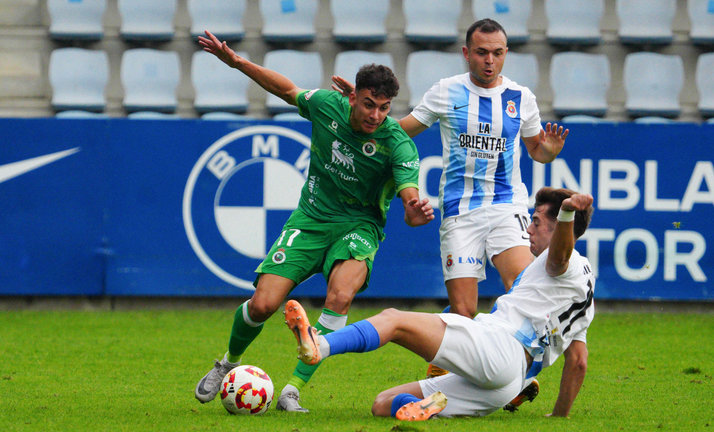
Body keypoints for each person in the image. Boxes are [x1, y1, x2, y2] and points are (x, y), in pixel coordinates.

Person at [193, 30, 435, 413]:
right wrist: (238, 63)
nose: (376, 115)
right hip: (311, 218)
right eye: (369, 104)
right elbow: (287, 89)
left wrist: (413, 209)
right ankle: (228, 363)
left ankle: (292, 389)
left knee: (340, 296)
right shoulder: (327, 106)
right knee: (262, 305)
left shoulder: (397, 143)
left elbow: (408, 190)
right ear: (352, 96)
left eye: (385, 108)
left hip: (359, 226)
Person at [333, 18, 570, 328]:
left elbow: (537, 151)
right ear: (466, 53)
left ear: (506, 53)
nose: (490, 61)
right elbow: (400, 134)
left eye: (497, 53)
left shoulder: (520, 97)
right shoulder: (447, 91)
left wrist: (550, 149)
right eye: (482, 52)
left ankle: (519, 372)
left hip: (506, 205)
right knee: (463, 310)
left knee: (521, 287)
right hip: (460, 210)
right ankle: (446, 365)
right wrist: (367, 109)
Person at [285, 187, 595, 420]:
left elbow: (559, 257)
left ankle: (320, 345)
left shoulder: (558, 262)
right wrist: (559, 417)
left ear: (559, 228)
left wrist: (567, 212)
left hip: (499, 346)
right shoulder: (585, 292)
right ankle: (427, 410)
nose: (528, 229)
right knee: (383, 403)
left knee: (393, 319)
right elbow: (577, 361)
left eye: (537, 222)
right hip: (508, 384)